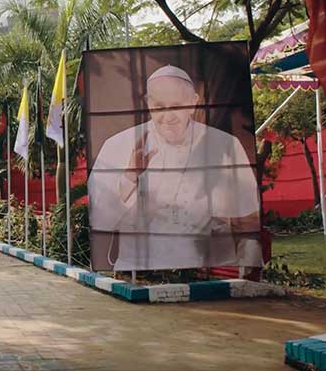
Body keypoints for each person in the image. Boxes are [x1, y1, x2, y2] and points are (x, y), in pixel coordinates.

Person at [88, 64, 262, 271]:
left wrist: (249, 263)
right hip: (134, 269)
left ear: (193, 103)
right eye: (159, 107)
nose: (168, 116)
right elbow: (98, 220)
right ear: (148, 104)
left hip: (203, 271)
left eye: (176, 106)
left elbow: (247, 219)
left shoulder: (225, 144)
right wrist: (129, 177)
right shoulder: (118, 144)